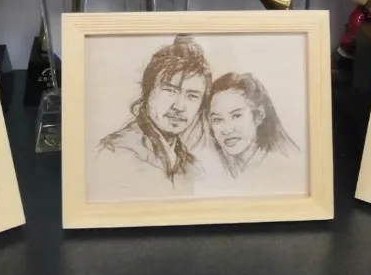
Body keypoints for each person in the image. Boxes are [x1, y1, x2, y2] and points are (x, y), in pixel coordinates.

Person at [96, 35, 212, 188]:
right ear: (148, 91)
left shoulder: (191, 167)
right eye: (170, 90)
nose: (179, 106)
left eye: (192, 96)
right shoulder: (116, 152)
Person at [202, 72, 299, 180]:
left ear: (259, 115)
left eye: (236, 116)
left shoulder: (280, 168)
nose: (227, 130)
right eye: (218, 119)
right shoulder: (218, 168)